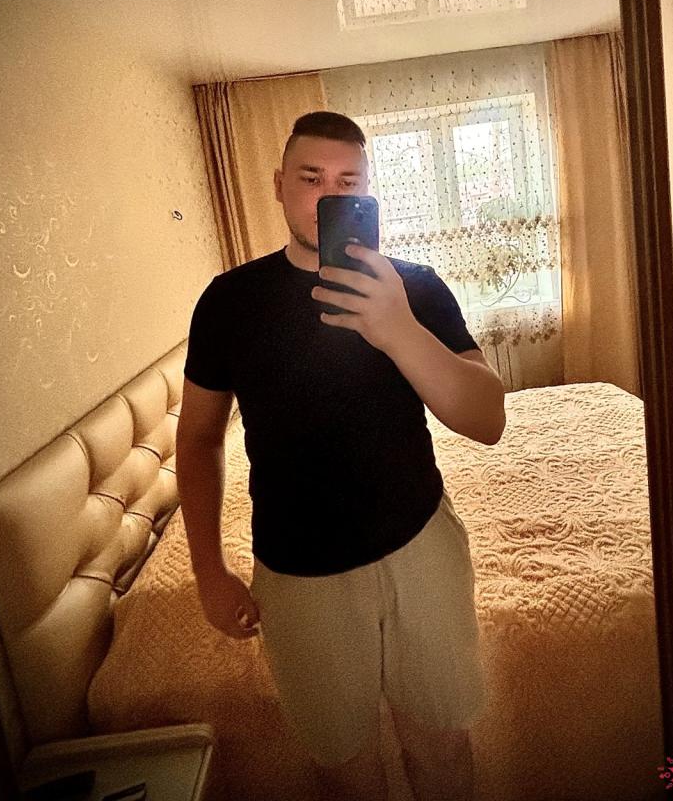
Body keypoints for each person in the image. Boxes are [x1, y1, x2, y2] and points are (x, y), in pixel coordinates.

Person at [176, 111, 506, 801]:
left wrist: (397, 328)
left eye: (347, 181)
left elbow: (486, 420)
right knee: (346, 771)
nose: (328, 195)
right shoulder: (229, 302)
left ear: (368, 191)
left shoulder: (414, 286)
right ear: (278, 185)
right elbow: (200, 436)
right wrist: (208, 569)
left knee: (442, 749)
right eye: (310, 178)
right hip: (298, 576)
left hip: (420, 544)